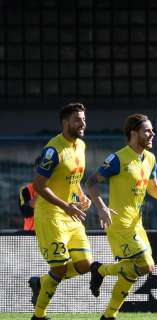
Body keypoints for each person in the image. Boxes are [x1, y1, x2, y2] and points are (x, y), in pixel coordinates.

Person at [86, 114, 157, 320]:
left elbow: (153, 188)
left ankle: (109, 314)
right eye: (147, 131)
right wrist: (101, 208)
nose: (152, 134)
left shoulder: (150, 158)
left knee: (132, 273)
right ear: (133, 133)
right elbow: (91, 182)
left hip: (136, 224)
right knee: (146, 266)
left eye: (152, 130)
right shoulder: (117, 159)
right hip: (118, 222)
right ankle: (101, 271)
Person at [28, 102, 92, 320]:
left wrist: (82, 197)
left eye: (84, 119)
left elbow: (72, 178)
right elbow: (38, 185)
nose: (82, 123)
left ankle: (41, 283)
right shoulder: (52, 150)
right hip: (51, 215)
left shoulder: (81, 146)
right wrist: (65, 205)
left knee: (85, 265)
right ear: (65, 123)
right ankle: (39, 315)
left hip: (70, 212)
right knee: (61, 267)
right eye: (77, 120)